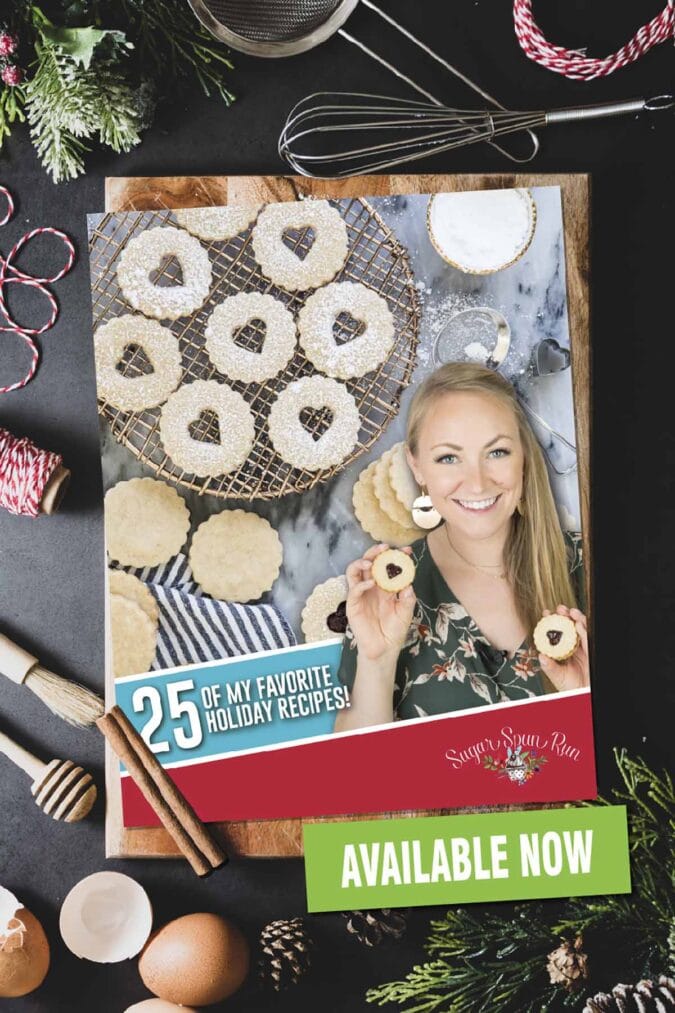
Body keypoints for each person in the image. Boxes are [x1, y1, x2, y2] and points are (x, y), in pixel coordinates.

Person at [334, 362, 589, 733]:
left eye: (497, 452)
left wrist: (589, 703)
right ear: (417, 466)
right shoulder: (387, 596)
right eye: (448, 458)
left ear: (524, 457)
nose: (477, 483)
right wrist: (377, 658)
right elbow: (354, 777)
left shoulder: (591, 568)